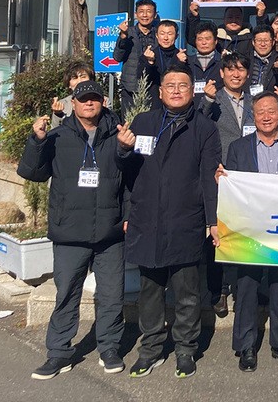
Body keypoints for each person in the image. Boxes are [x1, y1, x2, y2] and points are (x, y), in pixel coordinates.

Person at [115, 63, 221, 379]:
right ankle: (150, 349)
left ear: (193, 91)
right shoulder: (144, 122)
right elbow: (127, 172)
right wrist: (123, 149)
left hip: (186, 220)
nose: (176, 90)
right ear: (160, 92)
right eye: (170, 85)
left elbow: (209, 177)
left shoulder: (204, 128)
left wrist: (213, 220)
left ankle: (186, 349)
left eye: (183, 85)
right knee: (149, 291)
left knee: (187, 293)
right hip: (147, 219)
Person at [20, 80, 126, 380]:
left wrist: (127, 216)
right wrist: (37, 140)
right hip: (69, 231)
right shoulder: (57, 136)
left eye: (94, 99)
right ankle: (58, 352)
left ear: (103, 102)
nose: (89, 103)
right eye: (83, 99)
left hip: (110, 231)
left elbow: (131, 181)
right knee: (66, 294)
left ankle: (109, 348)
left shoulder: (118, 136)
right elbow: (32, 173)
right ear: (73, 104)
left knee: (112, 295)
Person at [219, 91, 278, 372]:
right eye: (260, 111)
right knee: (246, 287)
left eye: (271, 111)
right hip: (249, 229)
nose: (265, 116)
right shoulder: (238, 148)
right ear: (253, 115)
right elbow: (232, 187)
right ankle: (246, 346)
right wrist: (222, 180)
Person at [197, 50, 253, 317]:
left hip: (249, 180)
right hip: (221, 176)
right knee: (217, 236)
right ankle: (217, 290)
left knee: (245, 234)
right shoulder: (213, 98)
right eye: (230, 69)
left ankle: (244, 288)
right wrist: (207, 100)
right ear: (221, 73)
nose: (235, 74)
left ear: (247, 74)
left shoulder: (255, 101)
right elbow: (197, 123)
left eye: (240, 69)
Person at [112, 0, 158, 118]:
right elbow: (117, 57)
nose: (145, 15)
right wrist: (123, 36)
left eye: (149, 11)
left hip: (153, 88)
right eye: (141, 11)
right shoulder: (128, 33)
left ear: (155, 15)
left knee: (152, 123)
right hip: (130, 89)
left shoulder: (159, 35)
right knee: (129, 123)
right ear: (136, 14)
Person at [143, 19, 187, 106]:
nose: (166, 38)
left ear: (176, 36)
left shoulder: (182, 56)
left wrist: (181, 63)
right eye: (162, 34)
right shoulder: (149, 54)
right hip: (153, 103)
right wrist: (150, 62)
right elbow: (141, 79)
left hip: (176, 102)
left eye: (170, 34)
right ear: (157, 35)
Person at [50, 60, 95, 128]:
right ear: (69, 84)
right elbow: (55, 130)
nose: (79, 81)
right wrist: (58, 114)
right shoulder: (61, 104)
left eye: (83, 77)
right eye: (74, 78)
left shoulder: (102, 101)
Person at [188, 21, 222, 106]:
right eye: (200, 39)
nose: (204, 43)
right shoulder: (187, 62)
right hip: (191, 108)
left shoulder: (223, 63)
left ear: (215, 41)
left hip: (216, 108)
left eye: (207, 39)